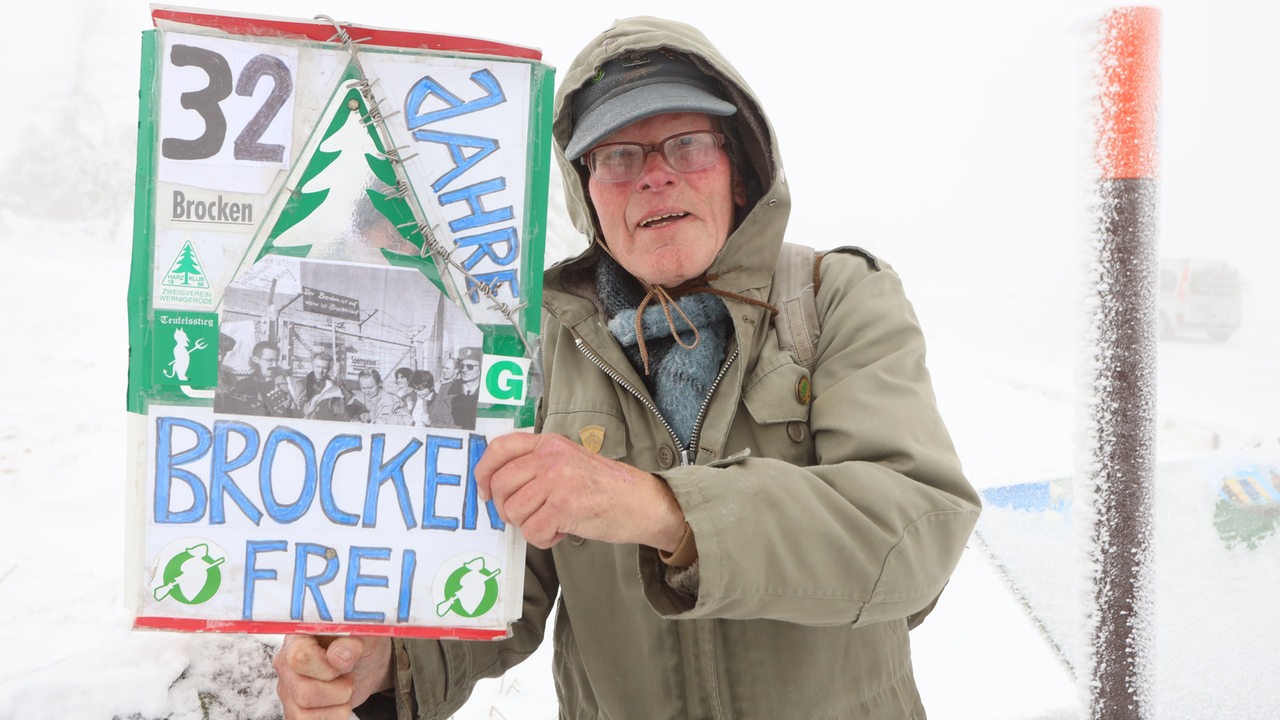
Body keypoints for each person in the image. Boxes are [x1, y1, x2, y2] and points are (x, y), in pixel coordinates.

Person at [274, 16, 981, 720]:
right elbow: (503, 581)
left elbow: (917, 527)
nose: (654, 178)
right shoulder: (541, 339)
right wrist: (387, 663)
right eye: (617, 156)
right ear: (589, 193)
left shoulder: (835, 298)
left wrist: (660, 509)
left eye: (688, 145)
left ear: (740, 172)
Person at [224, 340, 299, 418]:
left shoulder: (292, 385)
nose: (275, 364)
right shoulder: (242, 386)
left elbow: (302, 416)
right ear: (255, 359)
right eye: (270, 360)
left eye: (276, 360)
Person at [428, 346, 482, 429]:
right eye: (462, 366)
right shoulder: (446, 389)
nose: (464, 370)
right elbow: (434, 420)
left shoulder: (485, 394)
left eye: (470, 366)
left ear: (480, 368)